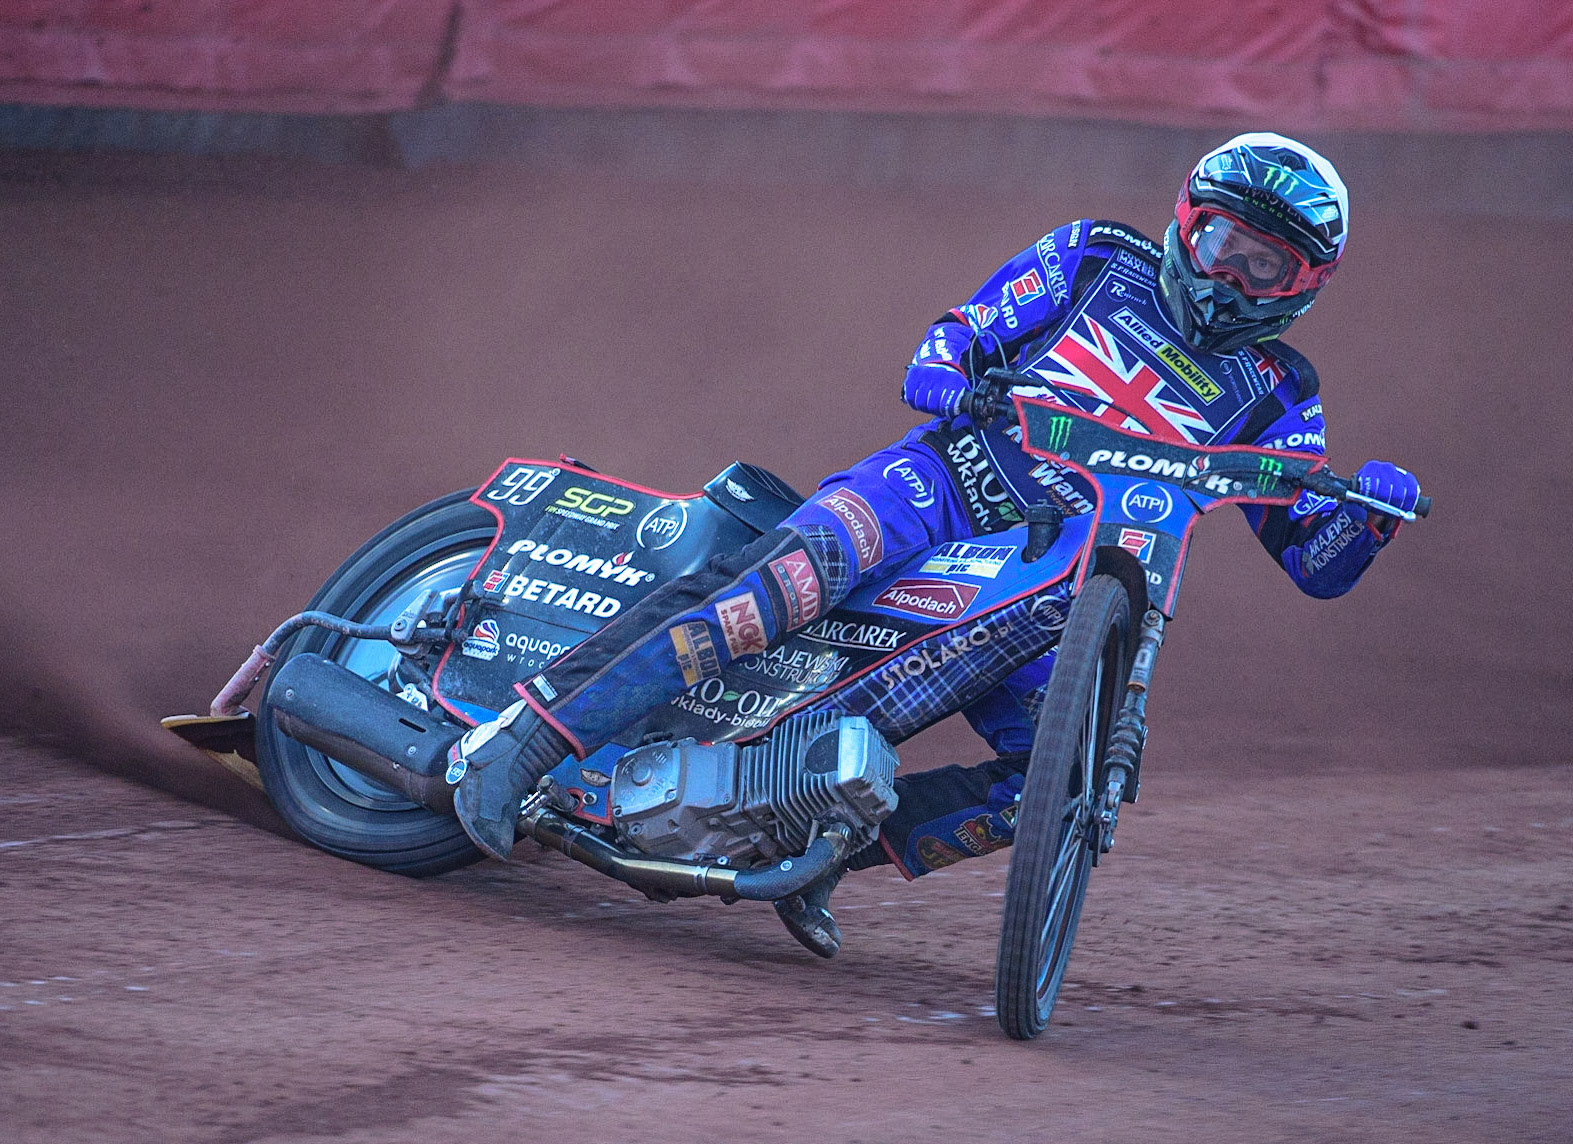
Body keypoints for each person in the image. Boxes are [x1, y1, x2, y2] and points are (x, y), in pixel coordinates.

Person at [446, 132, 1422, 957]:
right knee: (769, 590)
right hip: (938, 489)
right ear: (1185, 219)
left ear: (1304, 285)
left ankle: (821, 854)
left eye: (1263, 264)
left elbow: (1315, 559)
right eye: (1219, 241)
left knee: (1061, 773)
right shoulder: (1095, 256)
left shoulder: (1284, 390)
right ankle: (520, 747)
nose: (1228, 274)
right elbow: (943, 348)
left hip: (1056, 590)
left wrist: (1367, 514)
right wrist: (960, 386)